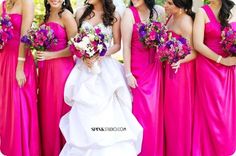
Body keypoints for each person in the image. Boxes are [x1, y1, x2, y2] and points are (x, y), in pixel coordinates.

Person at [59, 0, 143, 155]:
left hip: (105, 67)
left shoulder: (115, 15)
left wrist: (100, 54)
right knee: (84, 110)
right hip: (84, 67)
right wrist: (84, 55)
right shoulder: (80, 12)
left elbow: (117, 44)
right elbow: (75, 41)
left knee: (107, 112)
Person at [121, 0, 165, 155]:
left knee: (155, 114)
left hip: (156, 68)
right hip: (138, 71)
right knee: (142, 114)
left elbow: (163, 38)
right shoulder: (128, 13)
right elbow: (125, 45)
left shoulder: (158, 11)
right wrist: (128, 73)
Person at [192, 0, 236, 155]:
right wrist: (221, 60)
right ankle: (208, 150)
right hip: (209, 67)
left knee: (226, 110)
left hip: (228, 67)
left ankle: (224, 148)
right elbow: (197, 44)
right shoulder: (202, 12)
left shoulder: (230, 10)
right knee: (213, 110)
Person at [0, 0, 40, 155]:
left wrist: (20, 66)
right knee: (6, 104)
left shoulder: (27, 2)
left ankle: (23, 150)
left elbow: (25, 37)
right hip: (4, 59)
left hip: (20, 60)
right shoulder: (3, 4)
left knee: (19, 104)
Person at [37, 0, 77, 155]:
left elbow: (74, 47)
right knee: (46, 109)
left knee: (57, 109)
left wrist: (50, 55)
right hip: (46, 69)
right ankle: (48, 150)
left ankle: (61, 150)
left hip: (61, 70)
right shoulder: (46, 16)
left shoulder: (66, 15)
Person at [163, 0, 196, 155]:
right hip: (166, 69)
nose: (165, 5)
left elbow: (194, 52)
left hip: (180, 73)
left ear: (180, 5)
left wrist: (179, 61)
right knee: (168, 113)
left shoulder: (186, 22)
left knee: (177, 113)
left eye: (169, 2)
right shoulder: (170, 17)